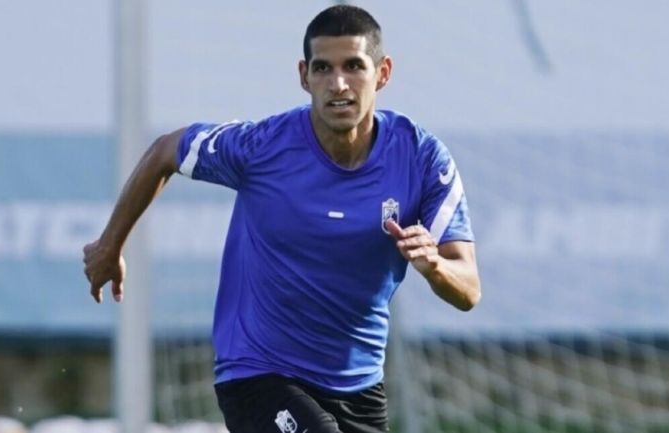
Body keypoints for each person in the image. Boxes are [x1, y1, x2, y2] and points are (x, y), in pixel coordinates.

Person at [83, 5, 480, 433]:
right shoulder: (262, 147)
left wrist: (436, 266)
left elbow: (468, 289)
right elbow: (165, 150)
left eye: (354, 67)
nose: (338, 84)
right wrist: (110, 246)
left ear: (382, 73)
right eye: (323, 68)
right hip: (259, 373)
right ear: (303, 76)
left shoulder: (420, 157)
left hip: (359, 384)